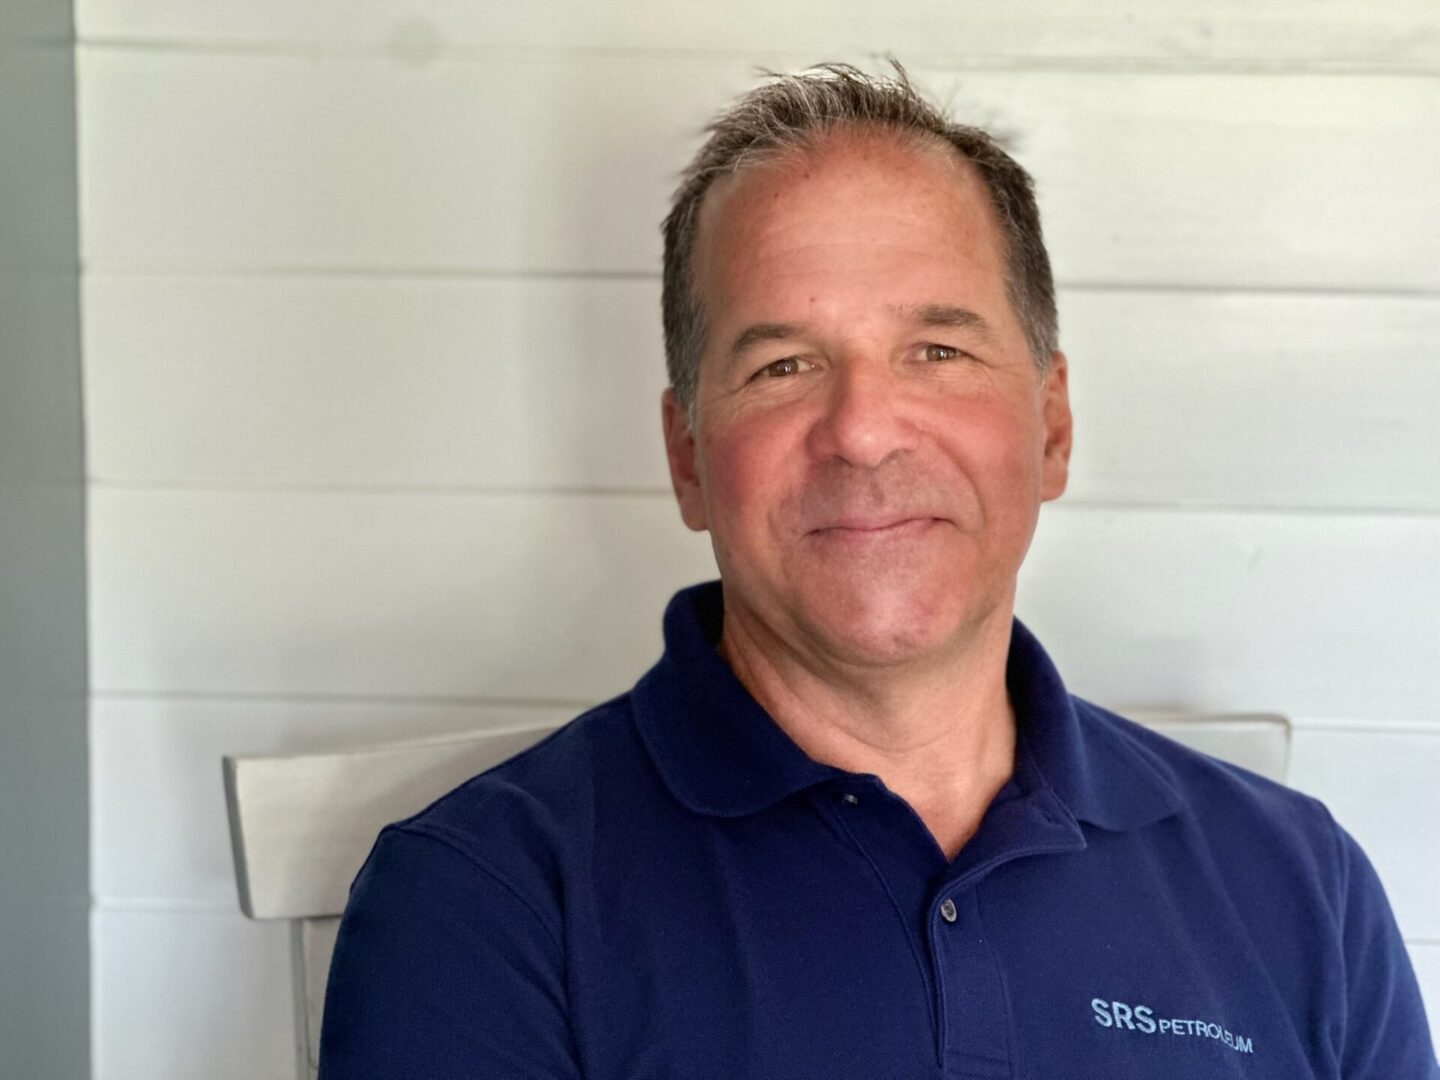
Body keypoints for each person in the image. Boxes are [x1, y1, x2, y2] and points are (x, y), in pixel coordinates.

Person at [318, 64, 1438, 1079]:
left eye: (937, 351)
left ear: (1049, 427)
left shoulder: (1300, 888)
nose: (861, 430)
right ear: (688, 457)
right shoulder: (482, 899)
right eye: (783, 365)